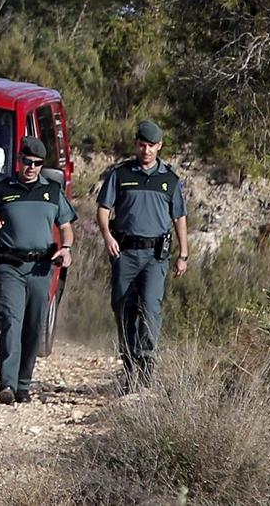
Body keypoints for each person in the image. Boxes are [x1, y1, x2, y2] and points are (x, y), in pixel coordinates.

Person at [0, 136, 76, 405]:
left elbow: (66, 226)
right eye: (27, 161)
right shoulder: (3, 188)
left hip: (41, 267)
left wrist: (66, 249)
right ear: (19, 160)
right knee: (10, 320)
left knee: (33, 326)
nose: (31, 167)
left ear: (42, 165)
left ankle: (23, 384)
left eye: (37, 163)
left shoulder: (52, 191)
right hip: (10, 266)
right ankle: (6, 383)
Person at [96, 120, 188, 390]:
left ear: (159, 146)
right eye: (142, 144)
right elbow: (103, 209)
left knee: (150, 309)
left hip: (155, 257)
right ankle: (129, 367)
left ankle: (146, 369)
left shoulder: (169, 180)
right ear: (136, 144)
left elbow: (179, 217)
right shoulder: (121, 174)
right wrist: (107, 237)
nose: (146, 150)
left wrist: (183, 254)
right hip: (124, 253)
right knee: (123, 308)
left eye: (151, 146)